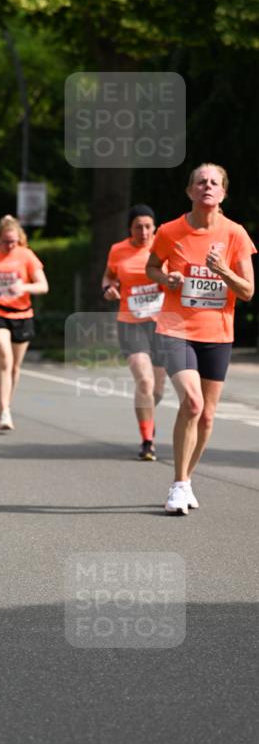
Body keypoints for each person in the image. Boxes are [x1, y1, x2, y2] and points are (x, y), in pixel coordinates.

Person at [146, 163, 255, 515]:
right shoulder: (169, 231)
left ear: (223, 193)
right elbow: (151, 266)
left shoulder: (235, 234)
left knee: (207, 416)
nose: (207, 187)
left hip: (217, 333)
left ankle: (186, 480)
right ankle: (178, 485)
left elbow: (249, 291)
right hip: (176, 329)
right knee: (192, 403)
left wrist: (222, 270)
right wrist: (166, 280)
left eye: (214, 182)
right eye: (200, 182)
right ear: (190, 191)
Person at [102, 204, 166, 461]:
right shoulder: (118, 250)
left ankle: (147, 417)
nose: (143, 231)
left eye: (148, 226)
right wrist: (108, 289)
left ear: (155, 228)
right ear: (130, 228)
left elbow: (177, 277)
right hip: (130, 322)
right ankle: (147, 441)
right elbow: (108, 277)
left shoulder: (164, 247)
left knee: (157, 391)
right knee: (145, 382)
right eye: (138, 227)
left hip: (161, 324)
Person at [0, 215, 49, 430]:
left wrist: (24, 288)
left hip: (21, 314)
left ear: (19, 239)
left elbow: (43, 286)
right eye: (5, 241)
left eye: (13, 241)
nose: (9, 246)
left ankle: (4, 406)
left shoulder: (27, 256)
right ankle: (5, 411)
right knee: (5, 358)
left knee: (15, 367)